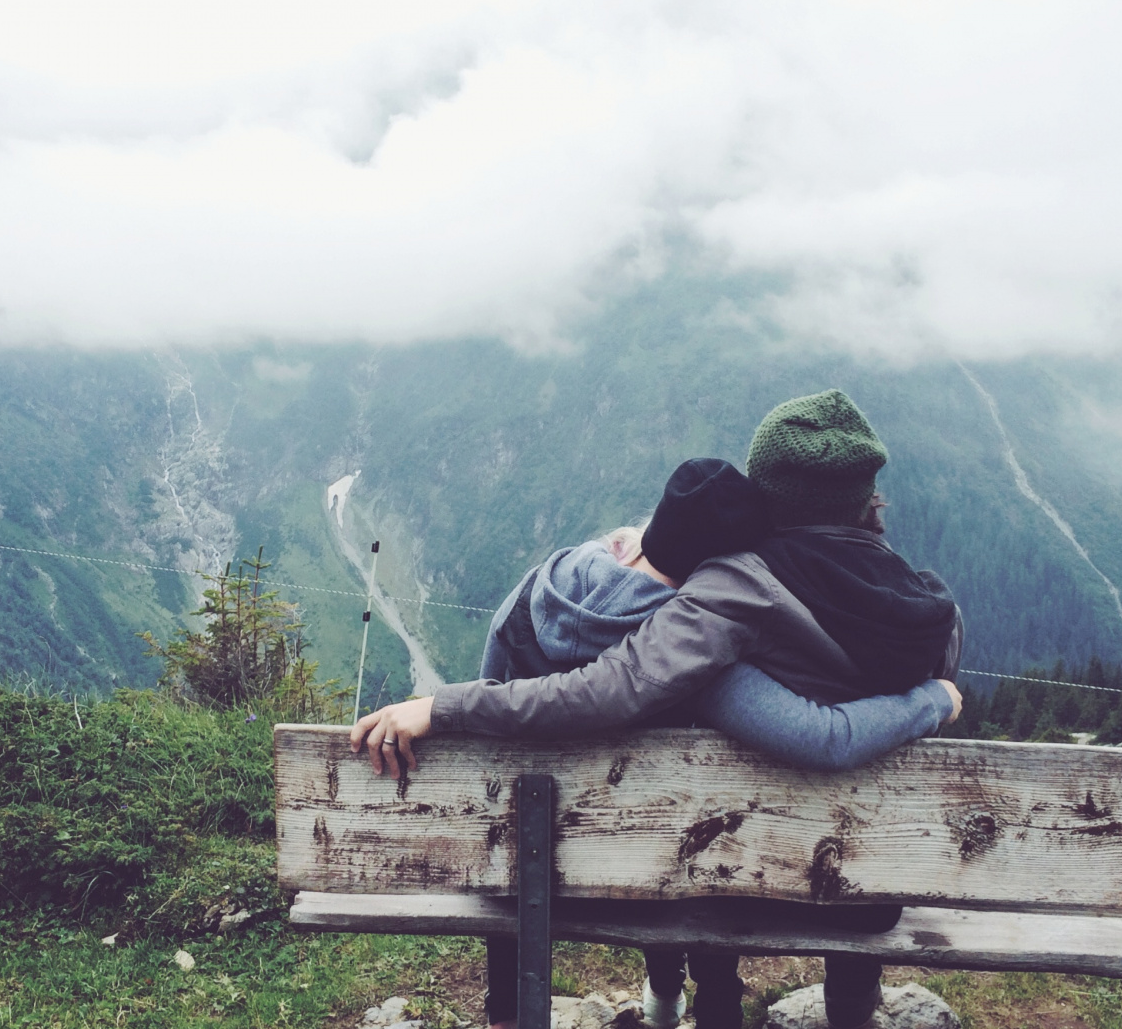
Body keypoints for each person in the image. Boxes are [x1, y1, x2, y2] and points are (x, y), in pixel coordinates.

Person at [354, 390, 963, 1029]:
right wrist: (931, 700)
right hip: (868, 893)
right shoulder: (935, 615)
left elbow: (613, 688)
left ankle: (681, 1002)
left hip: (736, 880)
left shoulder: (738, 589)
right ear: (868, 496)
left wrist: (445, 706)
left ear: (770, 499)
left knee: (701, 835)